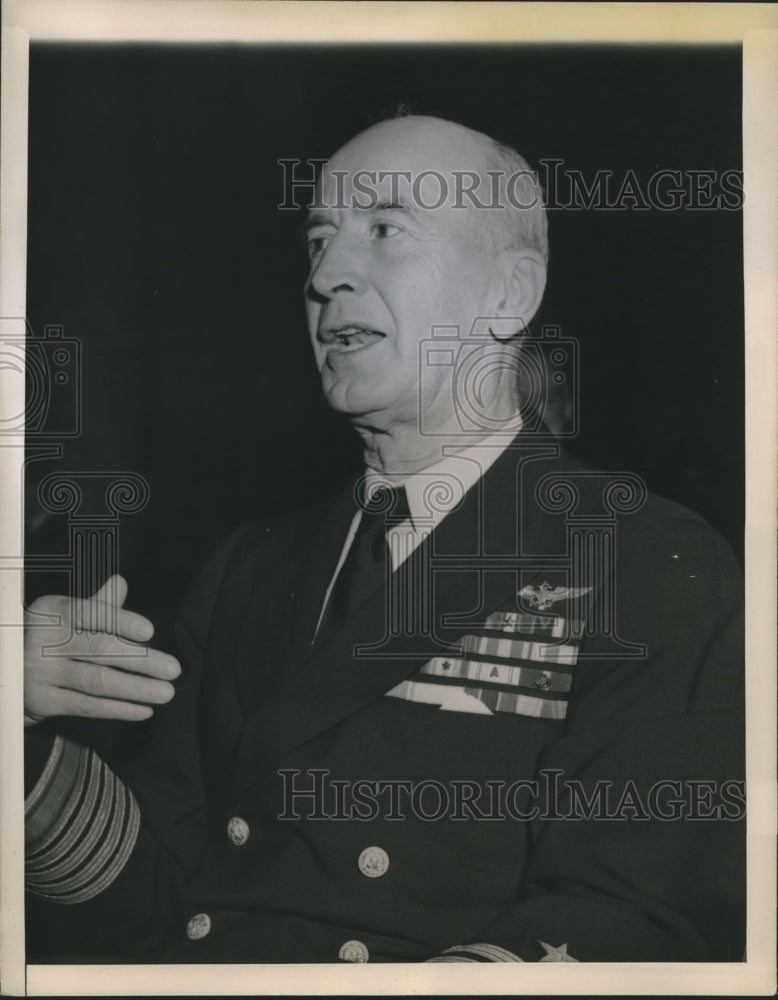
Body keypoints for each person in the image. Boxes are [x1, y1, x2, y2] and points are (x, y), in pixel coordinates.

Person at [23, 115, 745, 964]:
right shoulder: (249, 566)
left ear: (509, 295)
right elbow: (153, 902)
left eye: (385, 229)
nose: (325, 274)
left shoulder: (642, 559)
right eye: (317, 240)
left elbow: (628, 912)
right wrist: (15, 725)